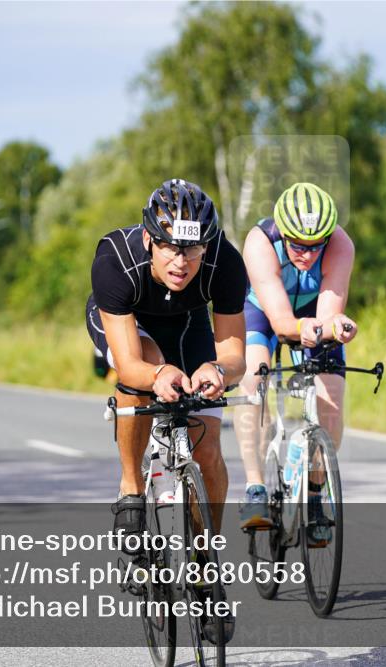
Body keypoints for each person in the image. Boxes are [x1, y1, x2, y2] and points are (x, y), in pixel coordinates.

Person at [85, 178, 247, 543]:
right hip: (129, 321)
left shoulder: (225, 262)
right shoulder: (115, 260)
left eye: (192, 250)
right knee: (146, 363)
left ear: (207, 245)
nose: (181, 262)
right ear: (149, 239)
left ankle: (204, 553)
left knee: (207, 449)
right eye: (171, 248)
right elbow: (130, 367)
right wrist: (158, 373)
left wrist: (218, 369)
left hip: (188, 322)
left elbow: (236, 357)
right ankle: (131, 487)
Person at [235, 182, 357, 545]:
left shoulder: (341, 244)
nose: (307, 254)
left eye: (316, 245)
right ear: (283, 233)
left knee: (331, 402)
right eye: (298, 245)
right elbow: (281, 322)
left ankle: (316, 495)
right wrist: (303, 329)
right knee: (254, 381)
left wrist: (339, 327)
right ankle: (255, 487)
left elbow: (328, 314)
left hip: (312, 310)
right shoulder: (260, 242)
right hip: (262, 310)